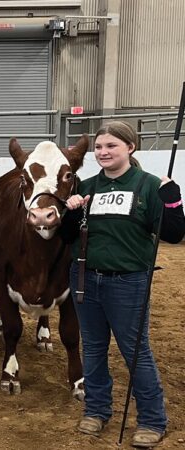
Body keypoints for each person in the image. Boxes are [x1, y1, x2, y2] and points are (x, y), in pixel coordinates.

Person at [63, 121, 184, 448]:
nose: (103, 152)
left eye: (111, 146)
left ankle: (152, 419)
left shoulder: (147, 186)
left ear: (130, 148)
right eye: (99, 147)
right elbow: (67, 238)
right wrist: (71, 214)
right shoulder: (85, 186)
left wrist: (172, 201)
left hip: (128, 281)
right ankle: (97, 409)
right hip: (85, 279)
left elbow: (173, 234)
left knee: (135, 351)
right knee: (93, 347)